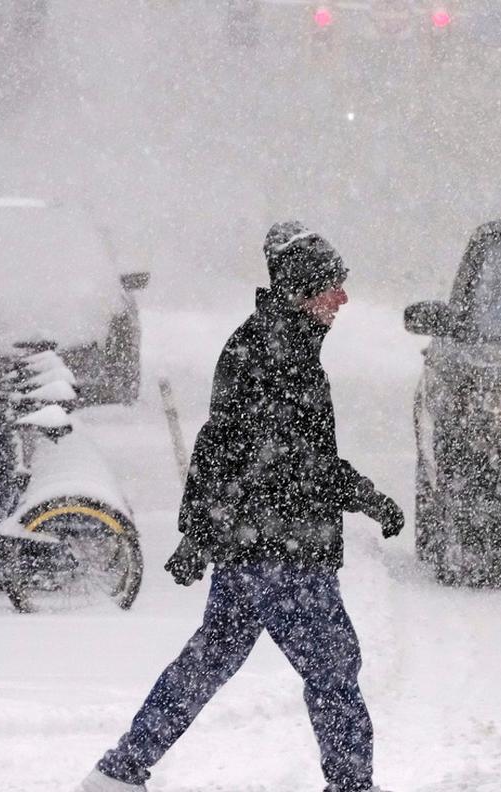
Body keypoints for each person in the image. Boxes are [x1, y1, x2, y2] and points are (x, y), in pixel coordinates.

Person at [77, 222, 404, 792]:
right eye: (333, 286)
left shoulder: (273, 343)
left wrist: (200, 533)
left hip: (256, 544)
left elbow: (227, 449)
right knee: (332, 670)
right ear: (302, 290)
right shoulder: (276, 355)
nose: (344, 298)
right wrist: (365, 496)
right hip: (282, 549)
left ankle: (121, 770)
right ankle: (352, 786)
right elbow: (282, 463)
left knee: (213, 662)